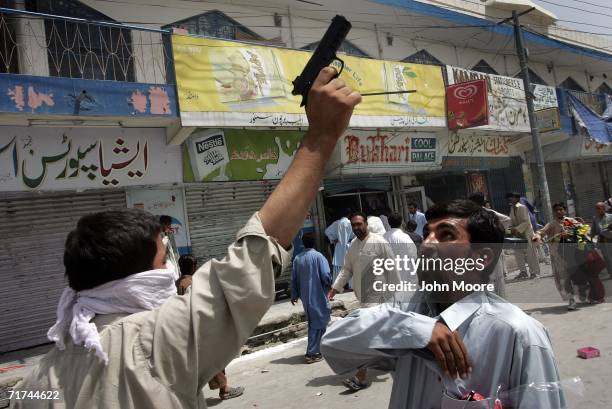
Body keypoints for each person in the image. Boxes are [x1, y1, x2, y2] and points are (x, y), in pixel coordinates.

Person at [12, 67, 362, 409]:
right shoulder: (153, 342)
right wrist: (322, 135)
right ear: (138, 280)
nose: (170, 273)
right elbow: (260, 247)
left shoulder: (34, 383)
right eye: (163, 261)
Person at [321, 200, 564, 409]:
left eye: (446, 235)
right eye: (427, 233)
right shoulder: (408, 315)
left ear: (481, 257)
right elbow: (332, 344)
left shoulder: (518, 335)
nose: (426, 245)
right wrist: (415, 330)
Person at [328, 211, 395, 391]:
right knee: (381, 336)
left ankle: (362, 377)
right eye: (354, 225)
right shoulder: (353, 246)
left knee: (364, 337)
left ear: (366, 224)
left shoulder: (379, 242)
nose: (356, 228)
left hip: (378, 298)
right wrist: (335, 288)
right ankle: (400, 363)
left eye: (359, 224)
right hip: (363, 298)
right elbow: (347, 269)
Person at [177, 254, 245, 400]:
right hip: (202, 327)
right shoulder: (192, 283)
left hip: (189, 328)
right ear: (193, 266)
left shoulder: (179, 282)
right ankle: (224, 389)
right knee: (215, 359)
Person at [533, 203, 585, 310]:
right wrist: (537, 236)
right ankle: (571, 300)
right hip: (558, 255)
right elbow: (541, 232)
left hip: (572, 254)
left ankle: (582, 293)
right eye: (557, 210)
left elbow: (583, 230)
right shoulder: (551, 224)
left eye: (561, 209)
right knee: (564, 277)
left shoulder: (570, 221)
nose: (559, 212)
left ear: (565, 210)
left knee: (577, 275)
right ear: (554, 212)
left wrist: (571, 233)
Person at [291, 233, 332, 363]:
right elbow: (326, 275)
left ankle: (319, 349)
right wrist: (330, 284)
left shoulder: (298, 258)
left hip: (306, 298)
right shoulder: (319, 257)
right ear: (314, 242)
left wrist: (294, 295)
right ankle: (312, 353)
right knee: (318, 323)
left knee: (314, 323)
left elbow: (294, 279)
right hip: (318, 295)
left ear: (303, 243)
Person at [468, 192, 509, 296]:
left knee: (497, 276)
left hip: (490, 248)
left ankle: (501, 300)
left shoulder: (489, 212)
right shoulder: (472, 214)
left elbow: (506, 220)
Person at [507, 192, 540, 279]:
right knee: (518, 253)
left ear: (517, 199)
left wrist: (516, 229)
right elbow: (511, 221)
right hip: (518, 234)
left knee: (531, 254)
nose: (510, 199)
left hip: (527, 234)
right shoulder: (512, 208)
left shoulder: (522, 207)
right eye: (510, 198)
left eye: (512, 198)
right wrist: (511, 229)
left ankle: (534, 272)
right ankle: (523, 272)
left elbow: (526, 221)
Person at [383, 212, 418, 294]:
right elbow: (413, 256)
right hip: (405, 277)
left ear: (388, 222)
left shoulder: (383, 237)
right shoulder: (405, 237)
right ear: (402, 222)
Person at [325, 208, 355, 283]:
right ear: (349, 215)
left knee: (338, 266)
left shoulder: (337, 223)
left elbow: (327, 231)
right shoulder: (350, 223)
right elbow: (355, 235)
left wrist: (333, 240)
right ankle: (351, 284)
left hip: (339, 247)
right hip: (348, 246)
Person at [591, 201, 612, 276]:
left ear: (604, 208)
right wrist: (591, 241)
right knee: (607, 259)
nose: (598, 210)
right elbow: (593, 231)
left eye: (600, 208)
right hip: (603, 241)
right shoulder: (595, 219)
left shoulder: (610, 216)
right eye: (596, 209)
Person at [160, 214, 180, 279]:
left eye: (170, 224)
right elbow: (162, 248)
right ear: (163, 224)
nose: (170, 226)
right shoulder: (159, 236)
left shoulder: (169, 234)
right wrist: (166, 236)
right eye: (168, 224)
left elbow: (174, 248)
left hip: (173, 260)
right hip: (166, 262)